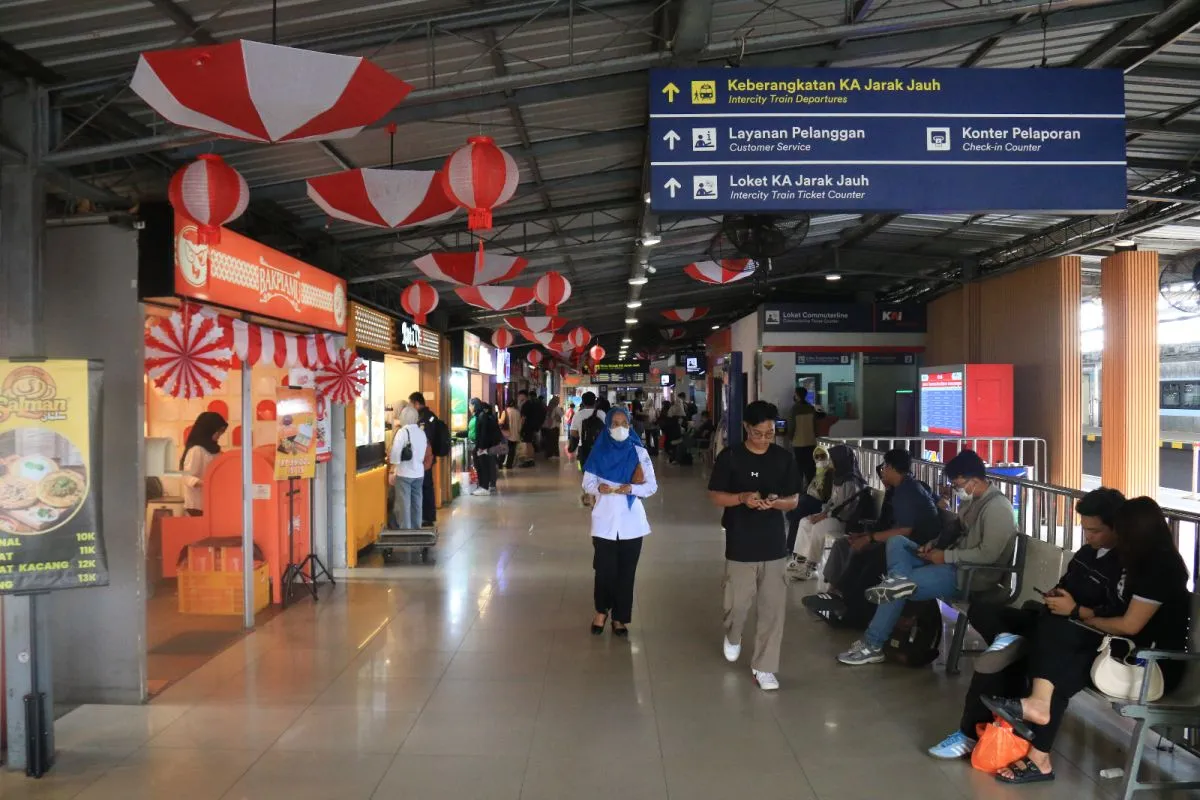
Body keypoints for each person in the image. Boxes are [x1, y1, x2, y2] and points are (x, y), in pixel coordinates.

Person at [947, 495, 1191, 786]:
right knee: (1053, 658)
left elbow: (1130, 625)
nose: (1117, 541)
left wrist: (1078, 614)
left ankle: (1033, 710)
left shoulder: (1161, 568)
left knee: (1055, 644)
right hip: (1125, 651)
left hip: (1149, 666)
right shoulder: (1140, 561)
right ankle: (1038, 747)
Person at [838, 449, 1017, 665]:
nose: (956, 490)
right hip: (952, 562)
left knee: (895, 589)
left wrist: (946, 556)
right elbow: (954, 531)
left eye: (958, 485)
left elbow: (988, 554)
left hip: (969, 574)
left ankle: (873, 644)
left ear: (974, 480)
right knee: (897, 543)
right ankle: (897, 581)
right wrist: (933, 544)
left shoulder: (998, 508)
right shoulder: (972, 502)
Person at [707, 400, 801, 691]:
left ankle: (764, 667)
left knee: (772, 610)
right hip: (740, 541)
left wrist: (775, 503)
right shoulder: (730, 457)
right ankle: (733, 634)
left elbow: (793, 500)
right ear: (746, 427)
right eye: (758, 433)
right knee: (736, 605)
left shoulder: (784, 459)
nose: (763, 438)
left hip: (773, 543)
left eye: (769, 433)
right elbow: (716, 496)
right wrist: (742, 499)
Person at [581, 407, 658, 637]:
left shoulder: (639, 452)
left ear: (630, 425)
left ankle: (620, 618)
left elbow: (652, 486)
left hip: (631, 523)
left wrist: (631, 488)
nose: (620, 428)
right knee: (604, 570)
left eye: (625, 423)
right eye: (615, 423)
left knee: (626, 572)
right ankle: (601, 611)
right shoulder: (599, 451)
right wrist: (599, 488)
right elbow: (587, 483)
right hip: (604, 521)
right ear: (608, 427)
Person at [786, 444, 866, 581]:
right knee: (805, 521)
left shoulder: (851, 482)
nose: (829, 462)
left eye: (832, 459)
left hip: (845, 522)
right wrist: (821, 513)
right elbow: (831, 501)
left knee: (818, 528)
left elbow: (845, 510)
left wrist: (824, 516)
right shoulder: (838, 477)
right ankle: (799, 561)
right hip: (832, 516)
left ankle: (811, 568)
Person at [390, 404, 430, 530]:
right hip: (419, 473)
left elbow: (395, 453)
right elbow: (423, 453)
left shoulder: (402, 432)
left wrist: (393, 470)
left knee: (404, 504)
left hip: (404, 473)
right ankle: (417, 528)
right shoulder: (421, 432)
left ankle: (406, 531)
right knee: (417, 503)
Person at [180, 411, 227, 516]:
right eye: (218, 432)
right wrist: (207, 483)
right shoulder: (196, 450)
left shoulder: (215, 450)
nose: (219, 435)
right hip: (197, 505)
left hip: (210, 502)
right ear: (208, 430)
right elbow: (186, 476)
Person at [408, 392, 442, 528]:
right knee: (426, 486)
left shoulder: (424, 419)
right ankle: (427, 516)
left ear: (416, 403)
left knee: (425, 487)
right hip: (427, 458)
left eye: (411, 404)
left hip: (424, 459)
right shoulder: (430, 416)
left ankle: (426, 517)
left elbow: (424, 439)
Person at [471, 399, 503, 496]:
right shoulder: (482, 416)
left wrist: (481, 447)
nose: (469, 408)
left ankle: (484, 487)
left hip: (484, 447)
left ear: (475, 406)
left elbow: (483, 433)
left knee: (484, 466)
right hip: (485, 446)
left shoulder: (482, 416)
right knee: (483, 466)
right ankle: (483, 486)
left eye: (470, 405)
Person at [788, 387, 818, 488]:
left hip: (798, 443)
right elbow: (815, 426)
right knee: (810, 467)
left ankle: (799, 488)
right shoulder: (811, 408)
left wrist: (790, 438)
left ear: (797, 395)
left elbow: (792, 426)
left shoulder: (794, 409)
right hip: (811, 442)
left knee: (799, 467)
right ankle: (811, 488)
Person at [570, 391, 606, 465]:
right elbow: (606, 430)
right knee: (598, 469)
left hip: (583, 447)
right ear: (595, 402)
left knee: (584, 469)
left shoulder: (578, 415)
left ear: (583, 402)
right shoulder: (602, 413)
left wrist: (583, 435)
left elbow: (573, 433)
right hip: (599, 446)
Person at [518, 390, 542, 467]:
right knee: (529, 443)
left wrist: (520, 427)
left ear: (524, 396)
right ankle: (530, 459)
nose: (519, 397)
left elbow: (523, 418)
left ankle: (529, 460)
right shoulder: (531, 404)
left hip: (527, 427)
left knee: (528, 443)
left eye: (520, 396)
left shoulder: (526, 405)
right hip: (531, 426)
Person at [500, 394, 521, 470]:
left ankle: (500, 464)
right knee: (512, 451)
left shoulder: (505, 412)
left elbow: (501, 422)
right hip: (515, 435)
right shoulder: (517, 412)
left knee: (503, 449)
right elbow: (519, 426)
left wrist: (498, 420)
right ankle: (509, 465)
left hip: (506, 434)